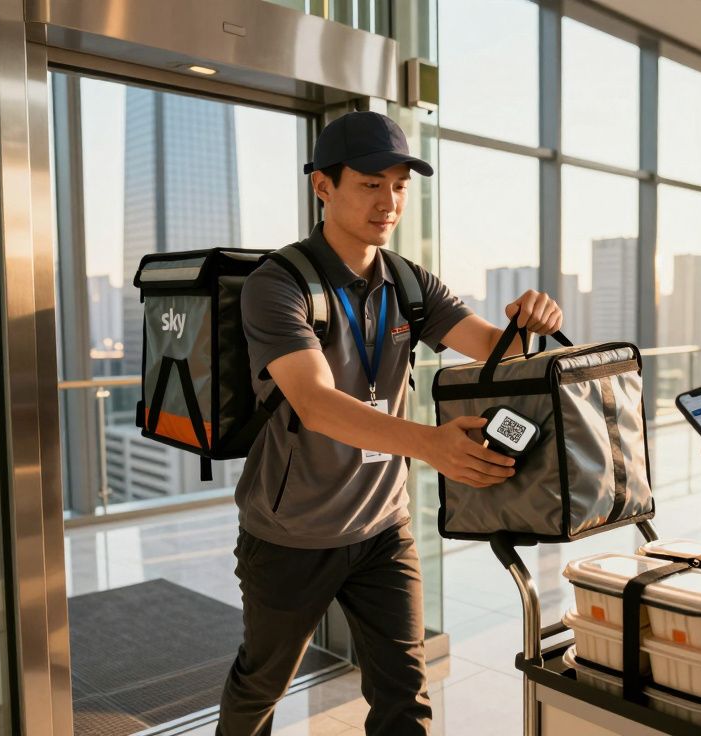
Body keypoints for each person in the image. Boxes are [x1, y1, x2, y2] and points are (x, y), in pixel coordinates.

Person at [217, 111, 564, 735]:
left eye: (400, 184)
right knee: (262, 684)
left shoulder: (407, 281)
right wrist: (430, 445)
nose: (390, 201)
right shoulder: (279, 284)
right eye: (370, 183)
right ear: (323, 187)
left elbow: (490, 344)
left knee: (405, 695)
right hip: (291, 533)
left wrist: (528, 324)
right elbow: (315, 404)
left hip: (383, 526)